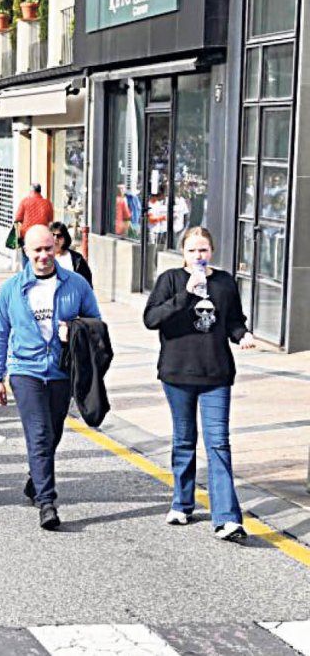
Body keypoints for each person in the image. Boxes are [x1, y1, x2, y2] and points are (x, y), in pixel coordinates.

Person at [143, 226, 255, 543]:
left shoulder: (224, 282)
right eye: (192, 251)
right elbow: (151, 318)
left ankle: (227, 519)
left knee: (218, 443)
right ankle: (182, 503)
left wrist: (241, 335)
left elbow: (234, 319)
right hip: (177, 373)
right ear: (183, 253)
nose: (199, 256)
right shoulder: (170, 280)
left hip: (216, 374)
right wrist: (187, 294)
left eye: (203, 250)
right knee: (184, 439)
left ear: (212, 251)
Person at [0, 225, 101, 531]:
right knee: (38, 434)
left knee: (53, 434)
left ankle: (34, 481)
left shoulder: (76, 284)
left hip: (62, 371)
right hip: (26, 371)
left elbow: (96, 324)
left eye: (48, 249)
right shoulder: (12, 288)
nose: (43, 256)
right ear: (26, 251)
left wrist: (75, 327)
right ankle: (47, 501)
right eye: (36, 250)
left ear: (57, 248)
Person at [50, 222, 93, 287]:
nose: (55, 239)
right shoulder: (42, 257)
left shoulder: (77, 260)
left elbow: (87, 286)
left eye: (59, 236)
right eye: (52, 235)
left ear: (65, 238)